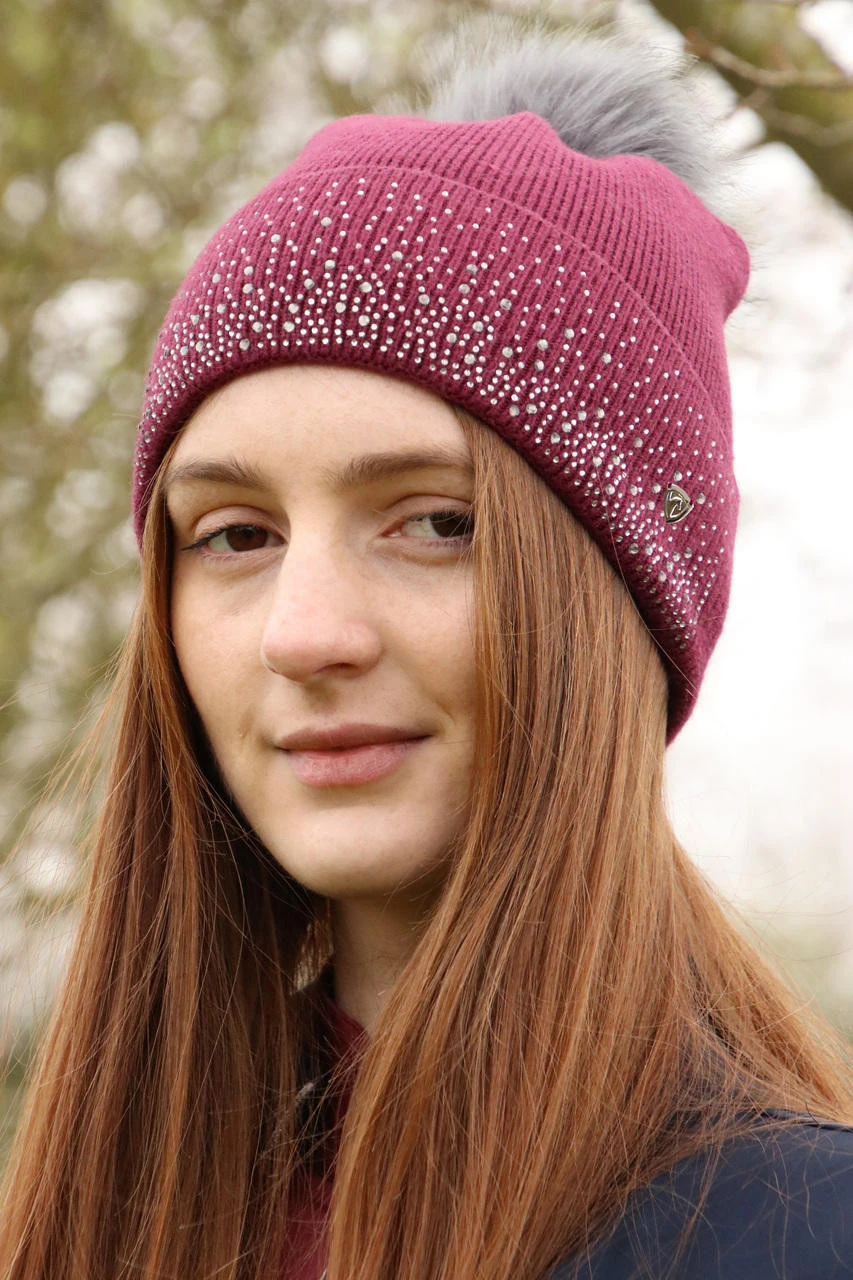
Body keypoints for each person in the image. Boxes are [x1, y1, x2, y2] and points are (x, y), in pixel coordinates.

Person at [2, 28, 852, 1280]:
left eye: (437, 522)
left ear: (617, 601)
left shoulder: (794, 1234)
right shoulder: (108, 1209)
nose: (305, 632)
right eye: (235, 534)